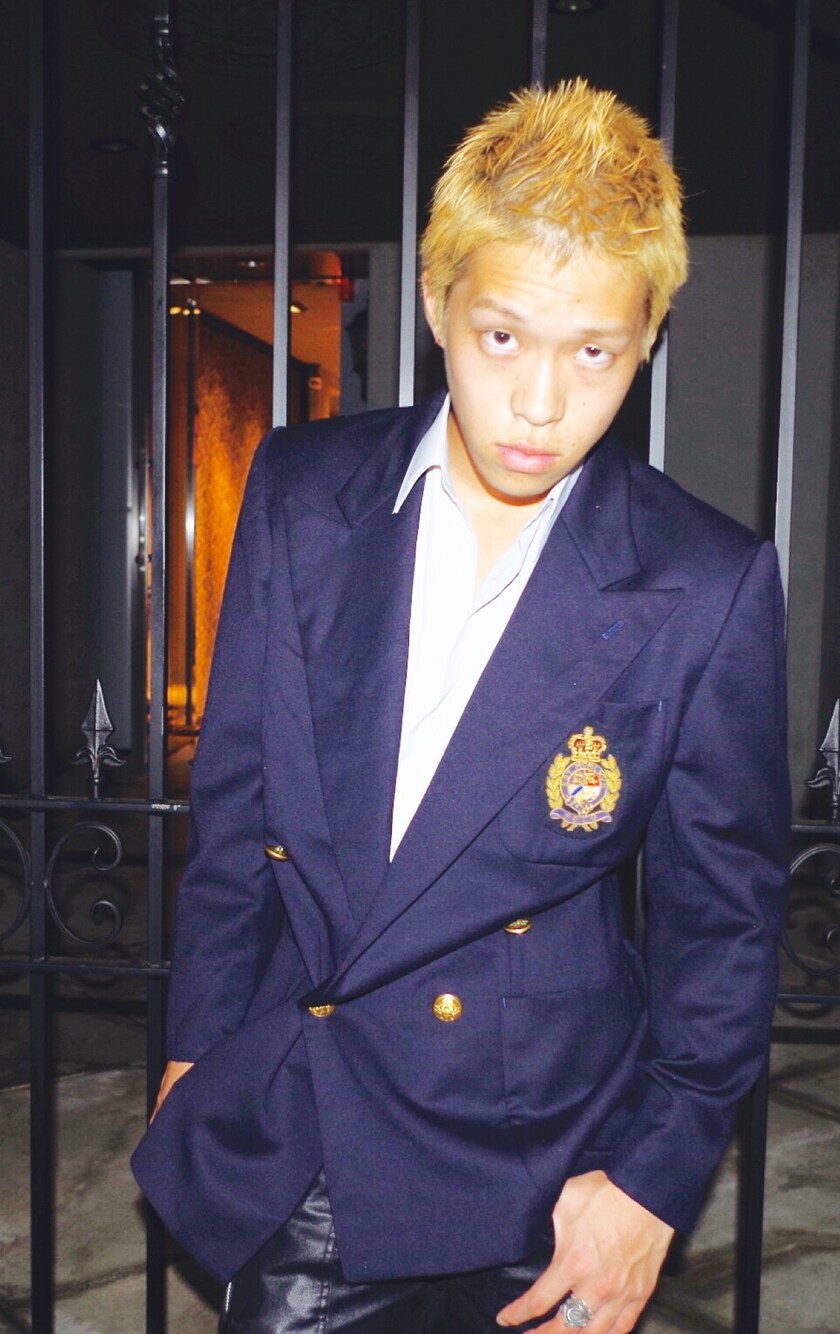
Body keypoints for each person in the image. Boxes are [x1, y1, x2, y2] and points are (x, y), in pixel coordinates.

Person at [132, 79, 790, 1333]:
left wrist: (652, 1180)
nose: (541, 404)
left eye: (592, 351)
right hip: (312, 1125)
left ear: (645, 339)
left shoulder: (703, 579)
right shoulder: (302, 485)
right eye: (501, 337)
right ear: (437, 304)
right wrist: (197, 1045)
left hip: (550, 1163)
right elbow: (239, 801)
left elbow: (723, 920)